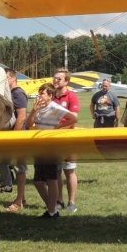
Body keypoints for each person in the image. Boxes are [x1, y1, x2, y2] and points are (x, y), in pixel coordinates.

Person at [26, 82, 77, 218]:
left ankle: (52, 211)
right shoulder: (38, 107)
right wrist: (34, 110)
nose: (39, 95)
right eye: (39, 92)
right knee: (38, 181)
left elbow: (73, 118)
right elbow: (28, 124)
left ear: (50, 96)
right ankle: (52, 209)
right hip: (39, 147)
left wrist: (58, 128)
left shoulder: (55, 108)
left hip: (52, 148)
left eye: (42, 93)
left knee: (51, 179)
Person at [0, 69, 29, 211]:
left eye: (7, 77)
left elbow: (22, 116)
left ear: (14, 78)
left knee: (19, 169)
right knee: (15, 168)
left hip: (18, 135)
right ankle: (22, 198)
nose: (5, 80)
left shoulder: (18, 93)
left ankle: (19, 202)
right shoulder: (8, 94)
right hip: (12, 134)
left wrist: (14, 136)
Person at [52, 68, 81, 213]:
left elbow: (73, 119)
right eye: (54, 78)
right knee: (56, 171)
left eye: (59, 79)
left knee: (69, 170)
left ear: (66, 81)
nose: (55, 81)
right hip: (53, 138)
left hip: (67, 137)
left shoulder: (72, 97)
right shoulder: (51, 97)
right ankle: (59, 200)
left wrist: (57, 127)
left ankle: (72, 202)